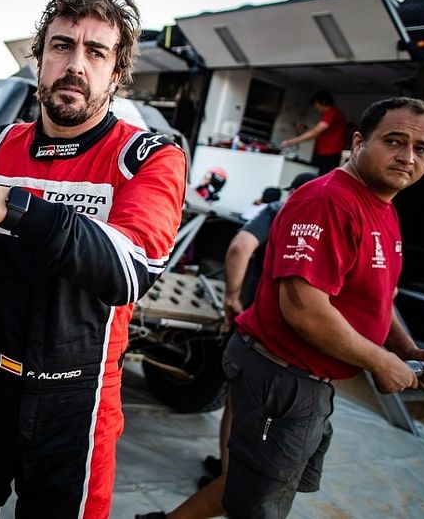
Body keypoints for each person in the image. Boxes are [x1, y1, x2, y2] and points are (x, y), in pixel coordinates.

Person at [0, 0, 187, 519]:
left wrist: (9, 204)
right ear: (39, 60)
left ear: (116, 74)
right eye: (62, 46)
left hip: (78, 399)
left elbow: (129, 272)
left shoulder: (149, 157)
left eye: (96, 52)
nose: (75, 64)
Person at [223, 97, 424, 518]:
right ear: (358, 142)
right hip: (283, 374)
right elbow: (304, 309)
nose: (407, 157)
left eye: (422, 149)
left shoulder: (383, 206)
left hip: (307, 380)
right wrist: (380, 362)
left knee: (256, 482)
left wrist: (407, 350)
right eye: (394, 141)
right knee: (258, 503)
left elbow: (380, 299)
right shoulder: (329, 201)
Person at [135, 171, 316, 519]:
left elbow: (240, 247)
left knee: (241, 405)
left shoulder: (279, 209)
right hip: (294, 340)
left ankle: (229, 478)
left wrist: (233, 298)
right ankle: (232, 477)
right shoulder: (323, 218)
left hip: (260, 328)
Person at [280, 90, 347, 175]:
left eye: (316, 104)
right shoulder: (332, 114)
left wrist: (291, 141)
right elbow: (317, 132)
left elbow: (316, 132)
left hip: (329, 154)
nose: (315, 108)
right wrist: (304, 131)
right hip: (324, 153)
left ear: (323, 102)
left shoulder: (332, 113)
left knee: (320, 178)